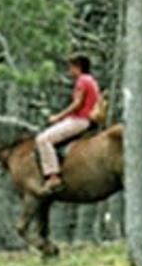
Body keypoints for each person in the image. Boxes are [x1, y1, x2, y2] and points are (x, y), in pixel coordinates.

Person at [36, 54, 101, 195]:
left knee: (43, 139)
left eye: (71, 67)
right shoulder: (91, 80)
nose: (69, 71)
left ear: (78, 67)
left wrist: (58, 117)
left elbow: (77, 104)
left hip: (79, 120)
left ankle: (53, 176)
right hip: (85, 120)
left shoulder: (82, 81)